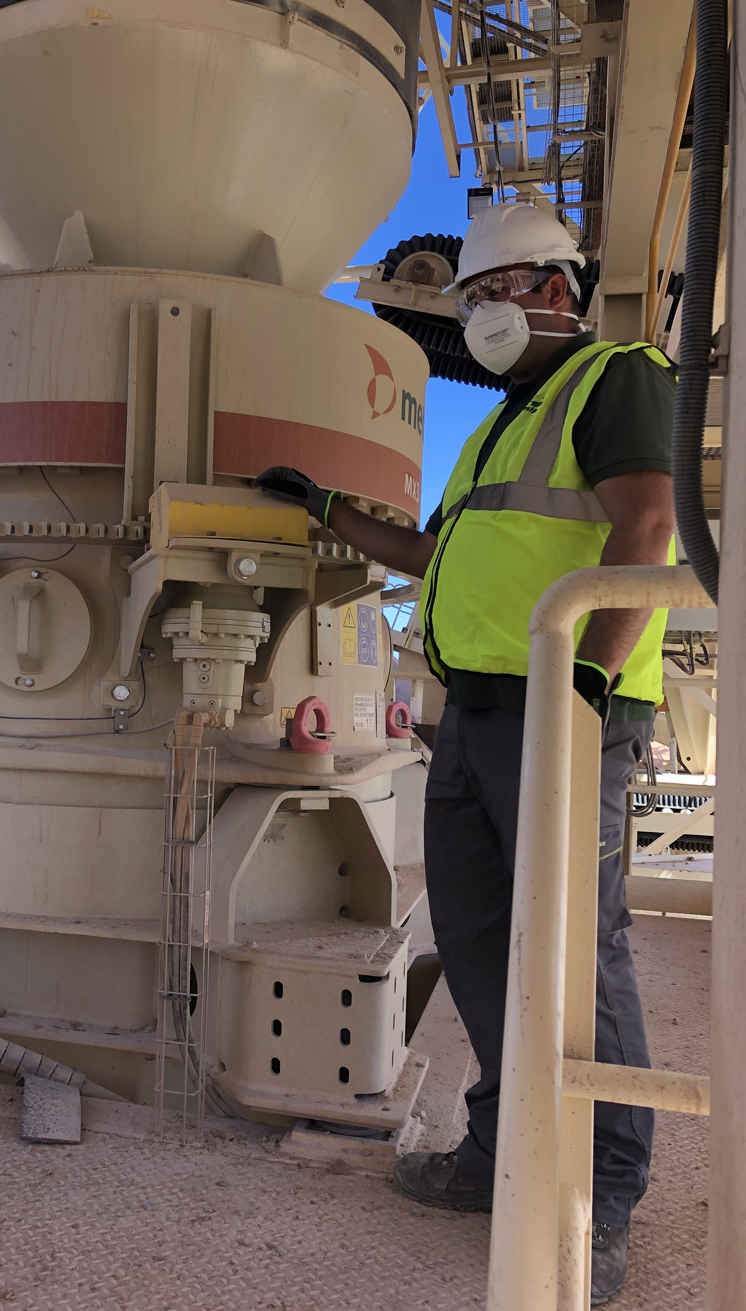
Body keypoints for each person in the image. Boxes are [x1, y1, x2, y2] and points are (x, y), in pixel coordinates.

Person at [256, 201, 676, 1306]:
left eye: (491, 294)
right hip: (473, 716)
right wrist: (326, 511)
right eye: (470, 300)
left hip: (561, 704)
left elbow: (645, 528)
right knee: (484, 944)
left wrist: (584, 680)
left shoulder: (614, 375)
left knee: (581, 954)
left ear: (551, 290)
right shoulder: (501, 421)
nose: (478, 316)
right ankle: (498, 1156)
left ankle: (605, 1195)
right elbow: (437, 551)